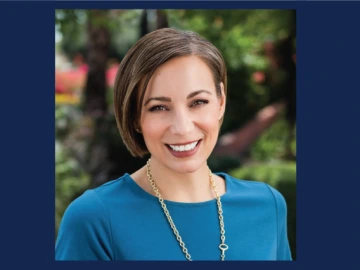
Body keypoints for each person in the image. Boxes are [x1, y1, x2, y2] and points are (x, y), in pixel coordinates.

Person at [55, 28, 292, 261]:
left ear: (220, 102)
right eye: (159, 107)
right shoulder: (95, 219)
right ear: (135, 117)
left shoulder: (267, 206)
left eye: (198, 102)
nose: (183, 128)